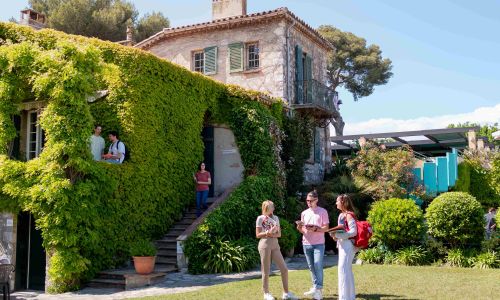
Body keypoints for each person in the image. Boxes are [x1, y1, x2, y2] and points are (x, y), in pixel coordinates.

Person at [256, 200, 298, 300]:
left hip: (275, 244)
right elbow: (258, 235)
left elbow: (279, 234)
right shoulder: (260, 218)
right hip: (264, 245)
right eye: (272, 206)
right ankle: (266, 293)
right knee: (266, 270)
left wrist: (273, 232)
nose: (273, 208)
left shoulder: (275, 218)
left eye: (273, 206)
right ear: (266, 208)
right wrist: (267, 233)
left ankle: (286, 293)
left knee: (284, 269)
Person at [296, 190, 329, 300]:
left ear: (316, 200)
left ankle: (319, 289)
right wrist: (299, 228)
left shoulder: (323, 212)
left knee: (317, 264)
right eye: (307, 201)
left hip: (319, 243)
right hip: (306, 243)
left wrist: (316, 228)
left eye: (311, 201)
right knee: (311, 267)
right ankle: (315, 287)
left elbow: (326, 228)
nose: (308, 202)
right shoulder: (304, 213)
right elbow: (302, 229)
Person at [330, 194, 358, 300]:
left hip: (348, 246)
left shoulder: (349, 215)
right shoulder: (341, 215)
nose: (336, 203)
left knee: (343, 270)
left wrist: (337, 235)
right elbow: (343, 231)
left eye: (337, 201)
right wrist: (335, 236)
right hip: (342, 245)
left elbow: (353, 232)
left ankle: (344, 297)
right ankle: (348, 297)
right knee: (345, 270)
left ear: (343, 202)